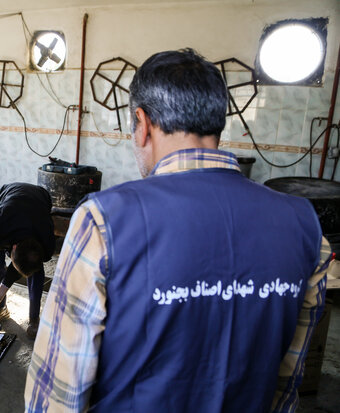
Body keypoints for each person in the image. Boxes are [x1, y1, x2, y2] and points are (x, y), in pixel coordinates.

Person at [25, 49, 331, 412]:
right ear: (217, 121)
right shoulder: (304, 225)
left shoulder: (104, 220)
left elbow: (60, 387)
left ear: (142, 123)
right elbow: (286, 379)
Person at [0, 182, 55, 340]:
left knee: (36, 270)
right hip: (9, 195)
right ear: (13, 248)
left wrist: (3, 288)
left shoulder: (47, 245)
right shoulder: (1, 222)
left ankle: (34, 318)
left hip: (40, 197)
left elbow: (22, 265)